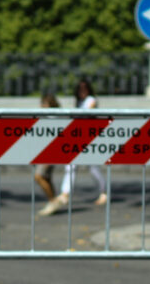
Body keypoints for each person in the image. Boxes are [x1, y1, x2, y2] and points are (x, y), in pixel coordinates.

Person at [39, 78, 107, 216]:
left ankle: (103, 191)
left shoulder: (90, 100)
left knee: (93, 168)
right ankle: (65, 194)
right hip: (78, 137)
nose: (82, 92)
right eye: (80, 89)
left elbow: (87, 114)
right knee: (71, 165)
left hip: (89, 138)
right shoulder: (79, 102)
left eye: (85, 89)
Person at [32, 92, 59, 202]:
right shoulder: (44, 116)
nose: (42, 106)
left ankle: (53, 201)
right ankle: (52, 201)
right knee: (47, 178)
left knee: (38, 176)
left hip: (50, 152)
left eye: (44, 103)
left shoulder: (54, 118)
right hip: (43, 151)